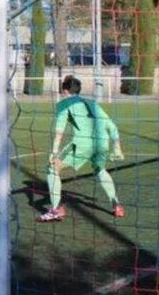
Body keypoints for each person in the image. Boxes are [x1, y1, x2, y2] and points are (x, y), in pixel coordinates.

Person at [38, 75, 126, 223]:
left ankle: (56, 209)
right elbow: (111, 126)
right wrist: (117, 148)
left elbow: (59, 132)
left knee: (52, 168)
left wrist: (54, 152)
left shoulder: (64, 104)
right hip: (102, 143)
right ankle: (116, 204)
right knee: (99, 169)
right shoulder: (92, 104)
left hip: (82, 144)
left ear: (64, 91)